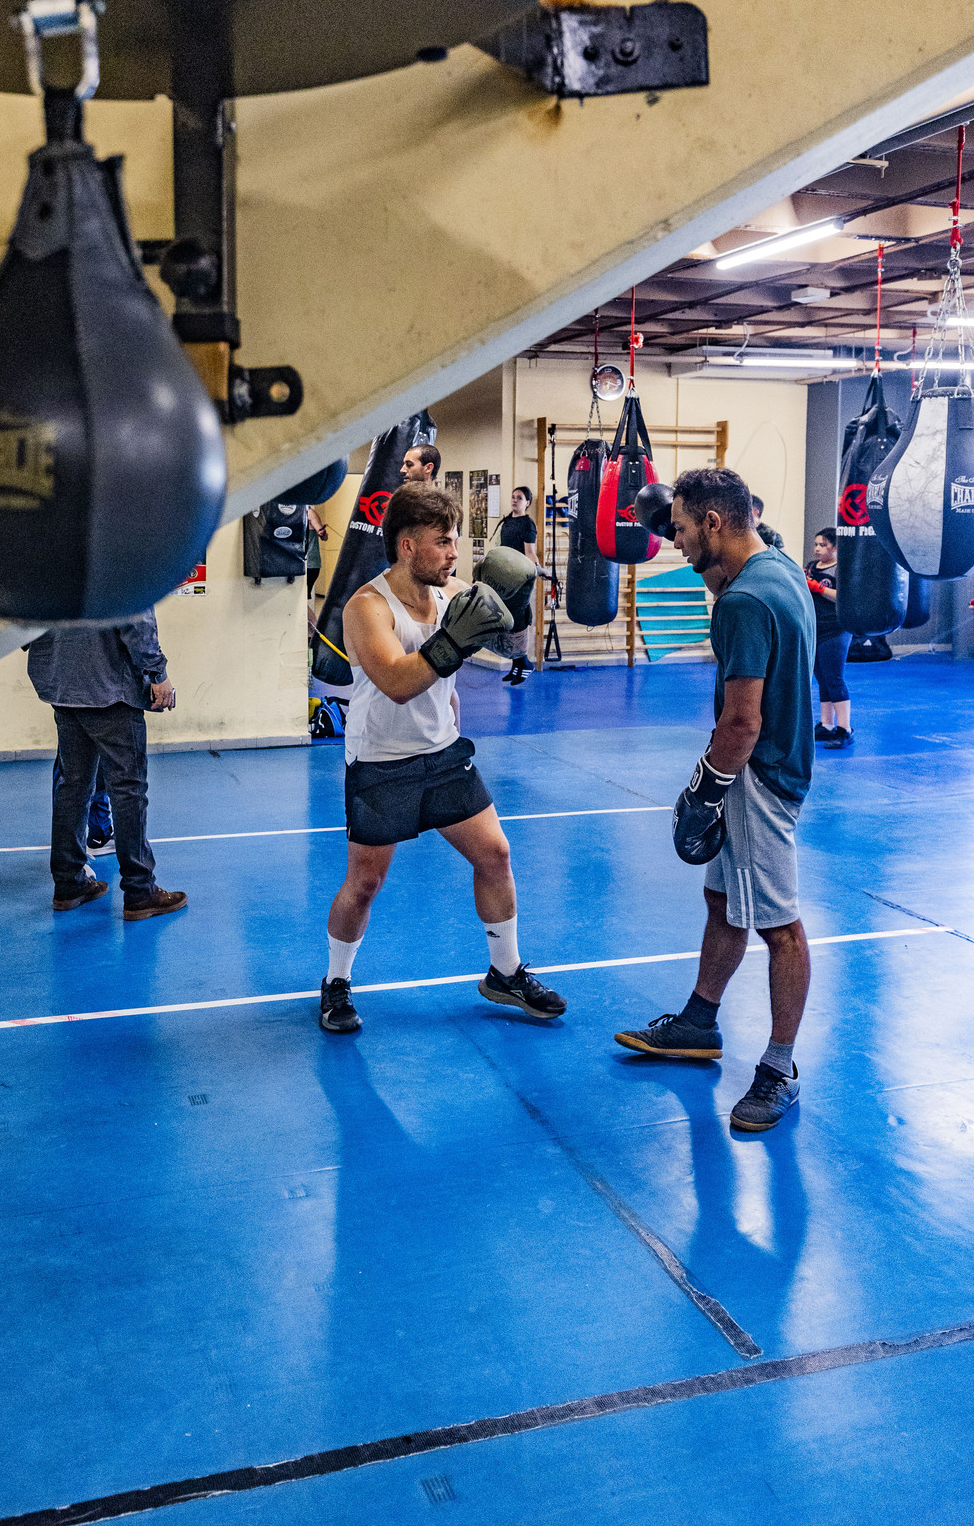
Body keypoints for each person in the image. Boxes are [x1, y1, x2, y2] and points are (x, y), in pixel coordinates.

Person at [318, 483, 567, 1033]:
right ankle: (336, 983)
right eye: (443, 542)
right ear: (407, 546)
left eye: (455, 542)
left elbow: (502, 648)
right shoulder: (366, 606)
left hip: (443, 751)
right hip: (382, 761)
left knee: (496, 855)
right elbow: (397, 681)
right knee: (364, 883)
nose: (455, 553)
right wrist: (453, 643)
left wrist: (514, 611)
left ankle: (505, 972)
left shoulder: (453, 592)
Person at [614, 466, 815, 1132]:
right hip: (774, 763)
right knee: (722, 899)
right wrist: (680, 516)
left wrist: (703, 791)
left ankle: (780, 1068)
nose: (670, 544)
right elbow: (729, 563)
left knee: (780, 928)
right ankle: (698, 1022)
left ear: (714, 523)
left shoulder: (742, 606)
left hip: (758, 775)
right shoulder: (779, 564)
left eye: (677, 531)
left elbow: (741, 723)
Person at [26, 611, 186, 920]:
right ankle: (140, 892)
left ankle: (69, 884)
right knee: (128, 790)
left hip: (61, 683)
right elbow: (136, 615)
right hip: (109, 685)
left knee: (72, 786)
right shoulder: (122, 560)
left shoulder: (48, 561)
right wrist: (158, 673)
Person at [805, 527, 852, 746]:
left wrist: (818, 589)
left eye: (822, 545)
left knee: (834, 678)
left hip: (836, 629)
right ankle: (827, 725)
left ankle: (845, 729)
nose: (817, 549)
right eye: (816, 544)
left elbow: (845, 598)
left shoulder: (841, 569)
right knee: (822, 678)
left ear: (835, 547)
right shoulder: (813, 567)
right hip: (816, 628)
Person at [495, 484, 541, 685]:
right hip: (505, 577)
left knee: (518, 620)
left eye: (519, 498)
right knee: (508, 621)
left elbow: (530, 553)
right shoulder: (506, 522)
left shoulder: (527, 524)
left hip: (520, 579)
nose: (515, 500)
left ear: (527, 503)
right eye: (513, 497)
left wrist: (539, 570)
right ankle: (516, 665)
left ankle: (524, 663)